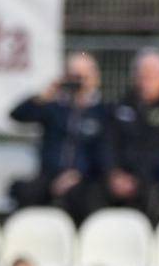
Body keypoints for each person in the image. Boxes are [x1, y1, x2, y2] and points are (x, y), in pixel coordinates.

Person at [9, 52, 107, 224]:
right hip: (50, 175)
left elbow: (104, 153)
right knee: (23, 191)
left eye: (82, 76)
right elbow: (17, 115)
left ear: (94, 78)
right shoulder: (54, 108)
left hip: (84, 180)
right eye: (73, 76)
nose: (78, 82)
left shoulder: (103, 113)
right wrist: (45, 95)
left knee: (87, 199)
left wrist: (78, 175)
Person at [104, 48, 159, 219]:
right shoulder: (122, 105)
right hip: (118, 178)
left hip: (151, 179)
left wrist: (138, 177)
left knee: (152, 198)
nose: (145, 82)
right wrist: (112, 172)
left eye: (151, 76)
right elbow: (108, 142)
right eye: (142, 76)